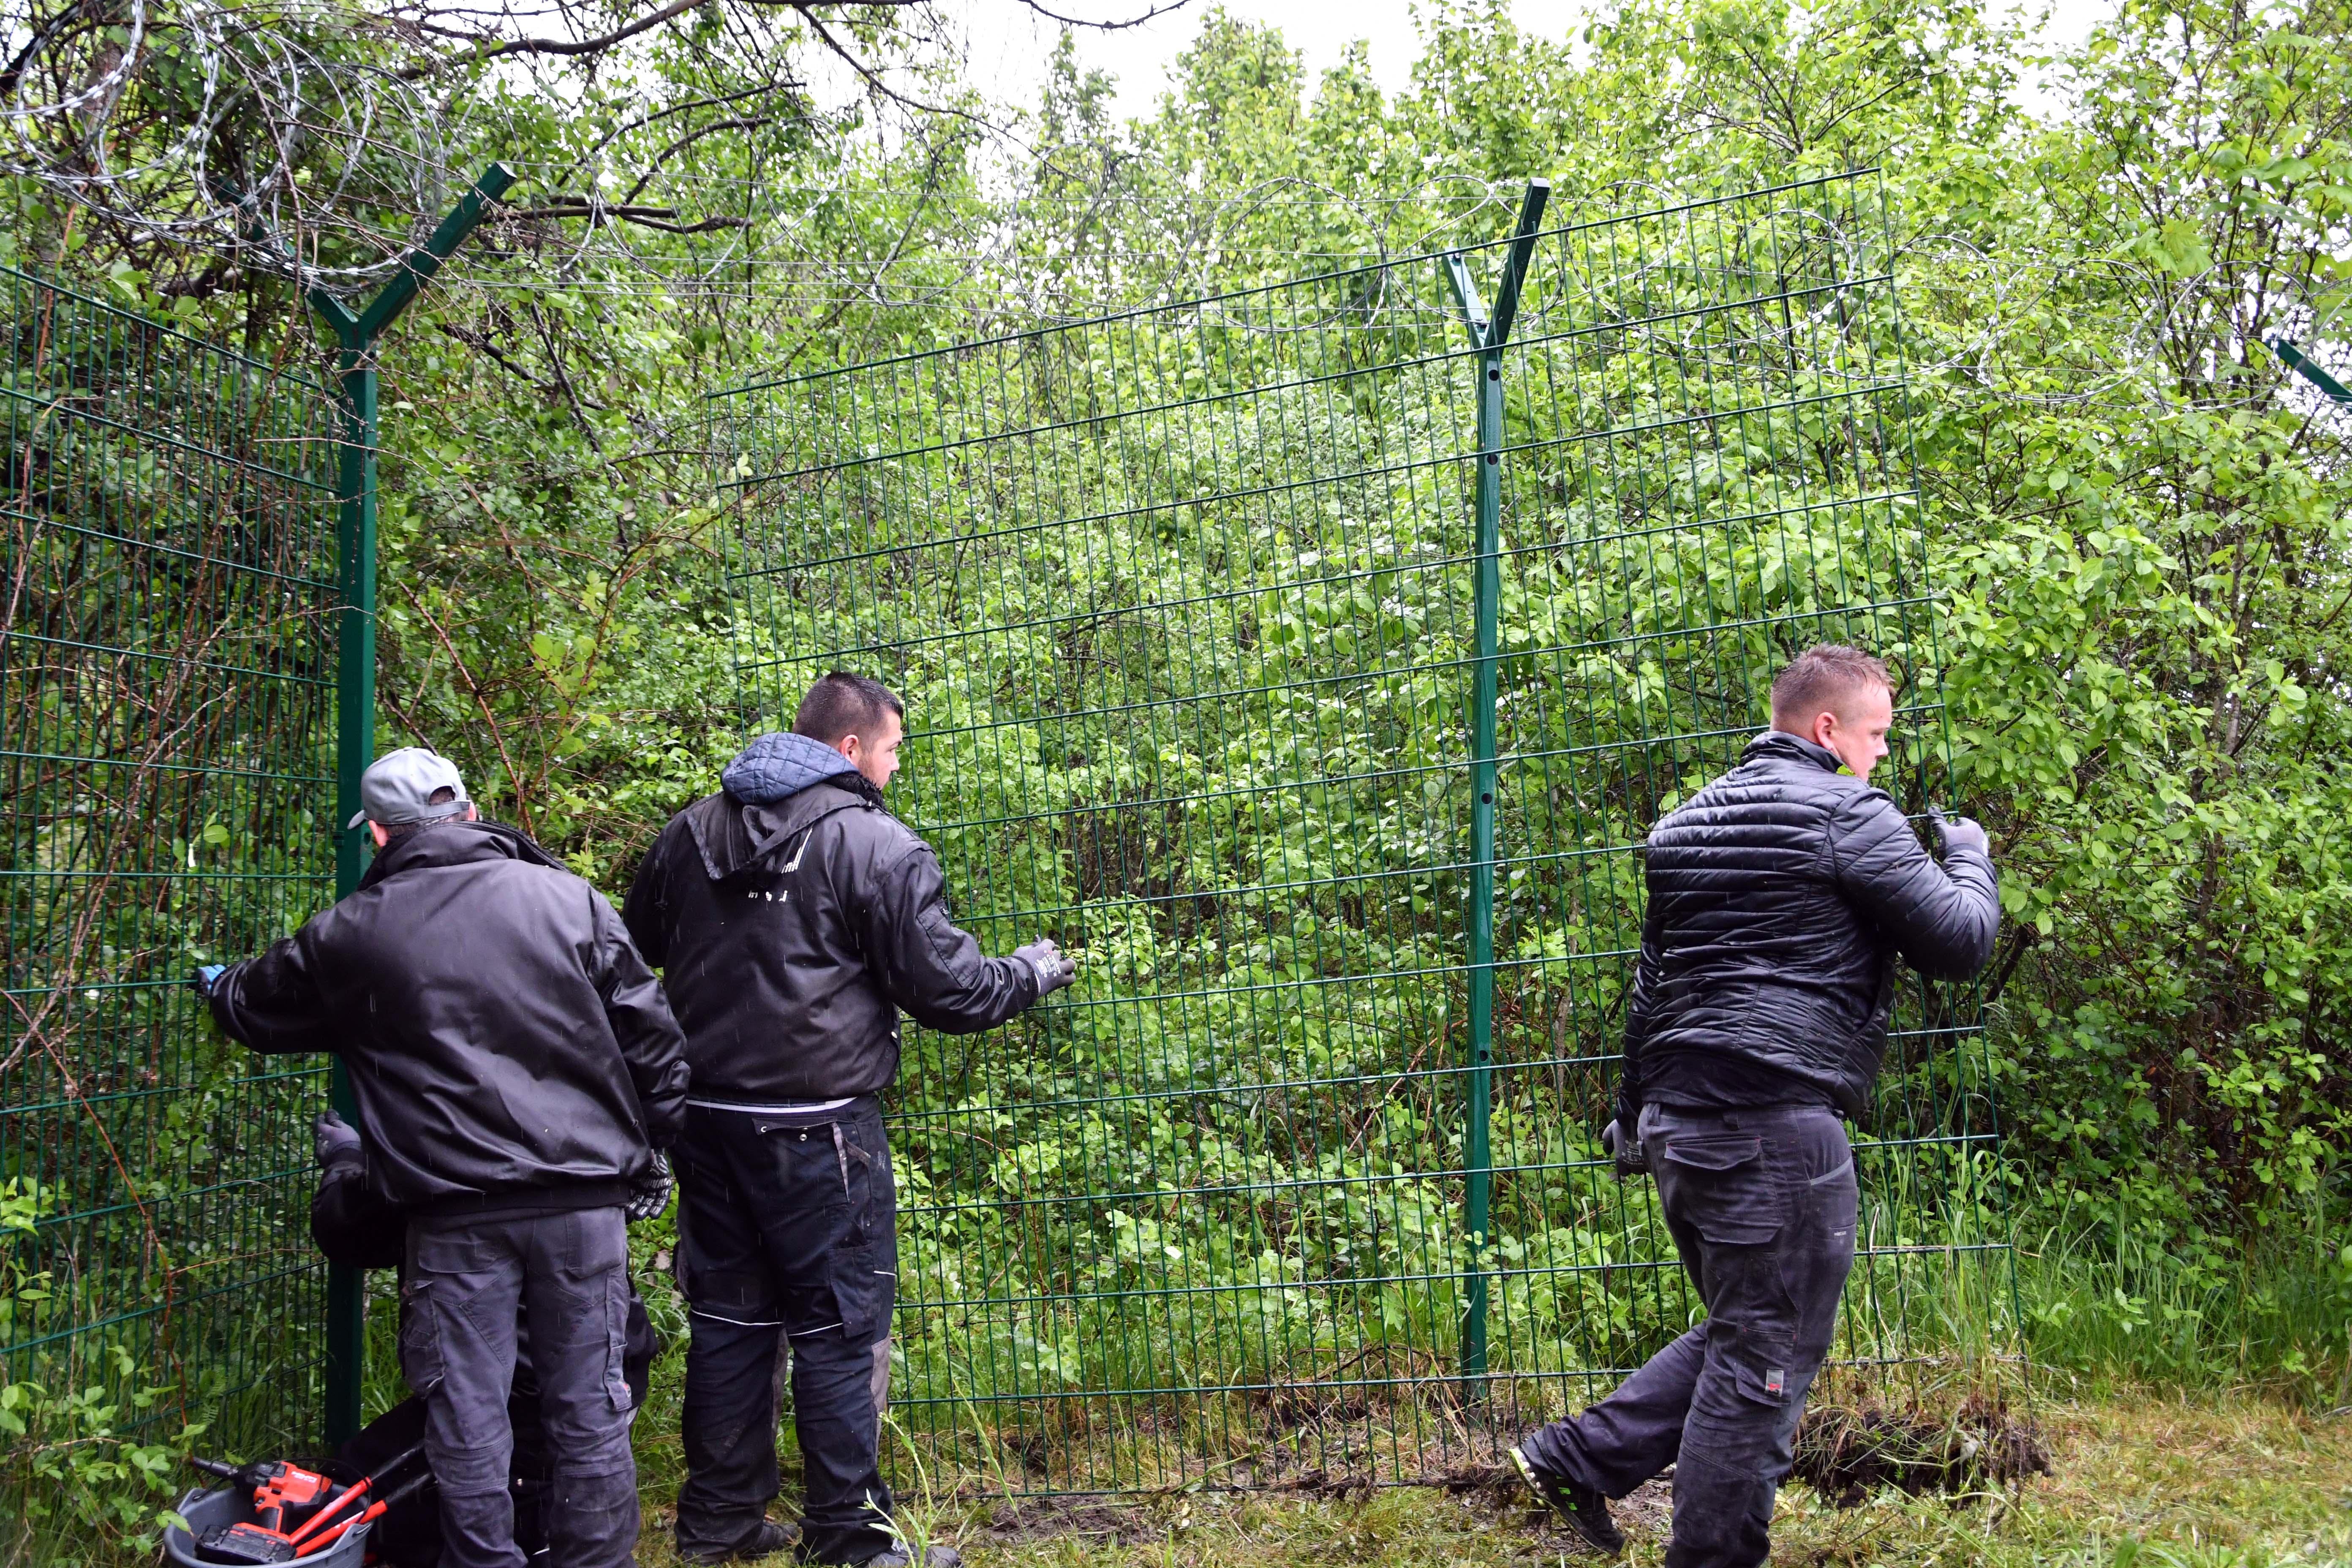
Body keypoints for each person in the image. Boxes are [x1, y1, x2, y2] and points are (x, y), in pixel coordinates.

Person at [1509, 645, 1999, 1566]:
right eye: (1877, 733)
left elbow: (1651, 988)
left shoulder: (1684, 823)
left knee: (1752, 1328)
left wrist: (1632, 1113)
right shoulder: (1852, 813)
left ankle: (1575, 1457)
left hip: (1681, 1123)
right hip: (1772, 1126)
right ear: (1827, 728)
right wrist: (1969, 858)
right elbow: (1963, 943)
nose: (1882, 754)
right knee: (1761, 1365)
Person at [194, 747, 689, 1568]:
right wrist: (645, 1155)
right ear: (467, 811)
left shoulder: (352, 931)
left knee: (469, 1416)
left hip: (455, 1217)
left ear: (381, 832)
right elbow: (658, 1046)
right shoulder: (571, 901)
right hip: (581, 1206)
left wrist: (216, 987)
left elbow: (259, 1000)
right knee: (588, 1408)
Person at [625, 672, 1076, 1567]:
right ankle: (849, 1542)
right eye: (894, 748)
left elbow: (635, 950)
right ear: (849, 749)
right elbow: (949, 990)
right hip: (820, 1131)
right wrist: (1029, 971)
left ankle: (718, 1525)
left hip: (708, 1124)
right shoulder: (876, 846)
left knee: (733, 1320)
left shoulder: (690, 832)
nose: (896, 765)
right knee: (837, 1328)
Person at [306, 1108, 669, 1568]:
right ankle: (568, 1539)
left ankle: (528, 1533)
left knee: (355, 1490)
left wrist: (347, 1159)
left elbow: (352, 1232)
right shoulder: (576, 1101)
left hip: (520, 1397)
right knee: (586, 1419)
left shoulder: (436, 1117)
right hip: (614, 1364)